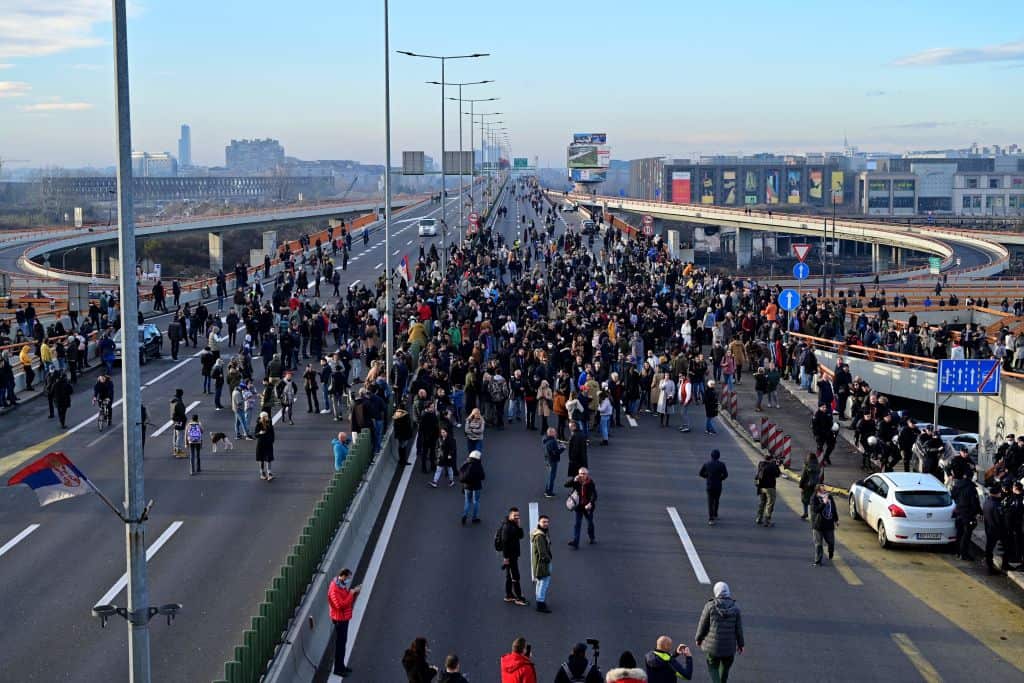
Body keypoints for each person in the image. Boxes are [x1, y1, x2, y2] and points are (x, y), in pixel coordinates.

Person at [694, 582, 744, 683]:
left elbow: (703, 625)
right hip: (729, 647)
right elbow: (739, 629)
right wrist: (741, 644)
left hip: (713, 647)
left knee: (713, 667)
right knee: (725, 669)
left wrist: (698, 639)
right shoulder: (736, 608)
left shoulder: (710, 606)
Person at [327, 568, 360, 678]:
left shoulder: (341, 585)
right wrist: (351, 593)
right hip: (339, 620)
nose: (348, 580)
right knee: (340, 645)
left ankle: (341, 666)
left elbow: (346, 598)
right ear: (343, 576)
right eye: (348, 578)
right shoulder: (334, 589)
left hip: (343, 618)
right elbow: (340, 605)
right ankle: (338, 669)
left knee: (342, 644)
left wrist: (354, 593)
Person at [498, 507, 529, 606]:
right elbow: (504, 543)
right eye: (515, 515)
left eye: (518, 515)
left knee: (509, 576)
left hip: (513, 555)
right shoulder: (507, 527)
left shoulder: (514, 525)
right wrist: (506, 558)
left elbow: (521, 536)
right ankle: (518, 598)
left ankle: (509, 595)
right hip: (510, 556)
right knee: (515, 576)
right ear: (510, 515)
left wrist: (519, 526)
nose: (517, 517)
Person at [951, 468, 982, 561]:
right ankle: (964, 554)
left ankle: (957, 552)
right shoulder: (971, 488)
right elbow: (974, 503)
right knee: (966, 535)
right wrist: (978, 512)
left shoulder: (957, 485)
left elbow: (952, 496)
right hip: (968, 514)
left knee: (959, 533)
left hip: (958, 512)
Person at [565, 467, 597, 548]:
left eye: (584, 474)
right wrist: (573, 480)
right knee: (577, 524)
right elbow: (566, 485)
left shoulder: (590, 483)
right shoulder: (576, 481)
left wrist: (590, 503)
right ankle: (576, 542)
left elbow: (594, 495)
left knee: (590, 523)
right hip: (579, 507)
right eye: (581, 473)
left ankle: (592, 537)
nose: (582, 475)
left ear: (587, 474)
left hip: (588, 507)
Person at [810, 485, 839, 566]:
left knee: (831, 542)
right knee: (818, 544)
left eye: (825, 490)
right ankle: (818, 561)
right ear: (818, 491)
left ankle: (831, 552)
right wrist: (823, 503)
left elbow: (833, 508)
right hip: (818, 525)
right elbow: (815, 510)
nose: (825, 492)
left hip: (829, 524)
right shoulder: (814, 498)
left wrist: (836, 519)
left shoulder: (829, 497)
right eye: (823, 491)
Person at [530, 514, 553, 613]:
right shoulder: (540, 536)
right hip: (542, 563)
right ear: (539, 522)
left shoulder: (542, 533)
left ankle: (539, 600)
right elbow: (542, 553)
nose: (546, 524)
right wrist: (548, 560)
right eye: (543, 522)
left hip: (539, 562)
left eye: (547, 522)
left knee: (540, 582)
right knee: (544, 582)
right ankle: (540, 603)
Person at [699, 449, 728, 525]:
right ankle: (715, 513)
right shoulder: (722, 464)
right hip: (718, 485)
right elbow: (725, 475)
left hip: (710, 485)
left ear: (711, 456)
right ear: (719, 456)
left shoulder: (707, 464)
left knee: (710, 501)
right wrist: (721, 479)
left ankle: (711, 518)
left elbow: (701, 473)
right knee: (717, 499)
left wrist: (707, 476)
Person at [458, 449, 485, 525]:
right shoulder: (478, 465)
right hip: (477, 486)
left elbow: (461, 472)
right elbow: (483, 476)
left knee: (467, 501)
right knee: (476, 501)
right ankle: (474, 518)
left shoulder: (466, 463)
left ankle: (464, 515)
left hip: (467, 486)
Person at [754, 453, 781, 527]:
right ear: (771, 459)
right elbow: (778, 474)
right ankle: (767, 520)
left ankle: (759, 518)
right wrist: (777, 465)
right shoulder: (772, 466)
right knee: (770, 504)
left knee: (762, 502)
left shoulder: (761, 464)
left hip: (761, 487)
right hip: (770, 487)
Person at [983, 485, 1005, 574]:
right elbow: (998, 520)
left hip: (988, 528)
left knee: (989, 548)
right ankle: (990, 568)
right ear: (997, 494)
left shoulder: (987, 502)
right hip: (994, 530)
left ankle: (989, 565)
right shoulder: (996, 505)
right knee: (990, 548)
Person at [798, 452, 821, 519]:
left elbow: (803, 477)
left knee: (805, 500)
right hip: (816, 486)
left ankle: (805, 513)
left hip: (807, 486)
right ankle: (813, 514)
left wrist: (801, 486)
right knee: (814, 500)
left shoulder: (807, 466)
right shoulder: (818, 466)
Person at [543, 427, 564, 498]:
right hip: (553, 461)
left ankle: (547, 490)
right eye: (554, 432)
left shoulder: (546, 440)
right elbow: (555, 452)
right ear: (551, 433)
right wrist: (562, 449)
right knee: (552, 476)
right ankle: (549, 492)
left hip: (548, 460)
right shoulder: (553, 441)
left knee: (550, 475)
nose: (556, 433)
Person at [255, 411, 275, 481]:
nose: (268, 417)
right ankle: (262, 473)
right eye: (266, 416)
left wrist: (271, 441)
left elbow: (272, 433)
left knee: (268, 459)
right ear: (263, 417)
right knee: (261, 459)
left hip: (268, 444)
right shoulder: (258, 425)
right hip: (261, 444)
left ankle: (269, 473)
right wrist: (260, 433)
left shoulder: (269, 424)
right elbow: (256, 435)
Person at [170, 388, 187, 457]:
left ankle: (175, 449)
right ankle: (178, 451)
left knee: (175, 435)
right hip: (180, 420)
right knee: (180, 435)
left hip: (175, 420)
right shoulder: (178, 402)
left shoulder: (173, 401)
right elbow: (182, 411)